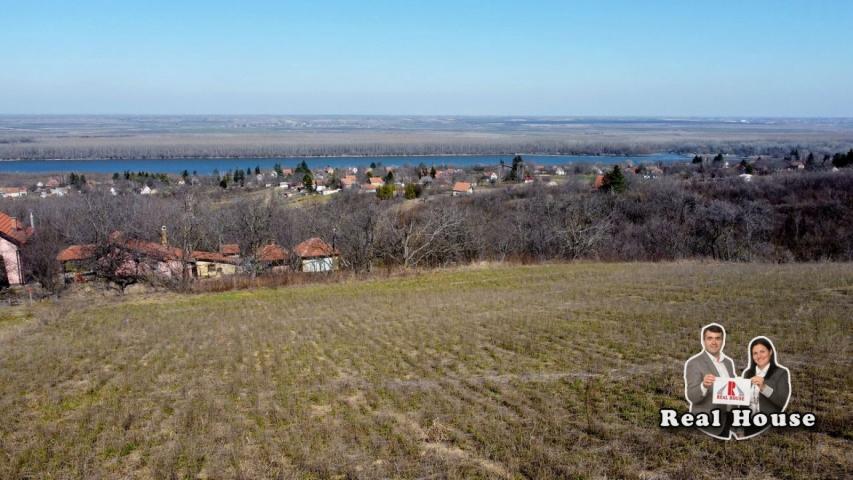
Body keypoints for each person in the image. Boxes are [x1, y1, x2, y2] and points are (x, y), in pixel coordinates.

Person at [683, 323, 736, 439]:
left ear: (722, 341)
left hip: (726, 422)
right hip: (705, 423)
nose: (714, 342)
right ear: (703, 341)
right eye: (710, 338)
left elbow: (732, 392)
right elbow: (692, 396)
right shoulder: (694, 363)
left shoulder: (728, 363)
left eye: (718, 338)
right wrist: (703, 386)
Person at [738, 336, 791, 438]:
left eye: (762, 351)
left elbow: (783, 402)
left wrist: (764, 388)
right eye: (755, 353)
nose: (759, 356)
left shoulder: (781, 373)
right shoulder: (748, 373)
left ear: (770, 352)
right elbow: (743, 404)